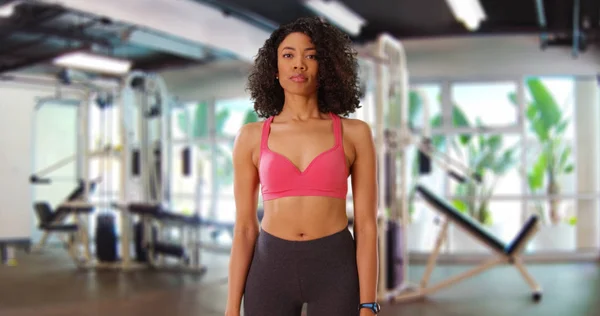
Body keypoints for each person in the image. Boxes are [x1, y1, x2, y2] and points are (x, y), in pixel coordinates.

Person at [225, 16, 379, 316]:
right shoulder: (250, 137)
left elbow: (367, 225)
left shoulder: (355, 133)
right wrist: (231, 308)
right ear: (275, 68)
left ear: (326, 68)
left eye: (311, 56)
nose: (299, 64)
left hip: (335, 270)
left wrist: (369, 303)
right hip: (270, 270)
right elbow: (244, 228)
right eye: (288, 55)